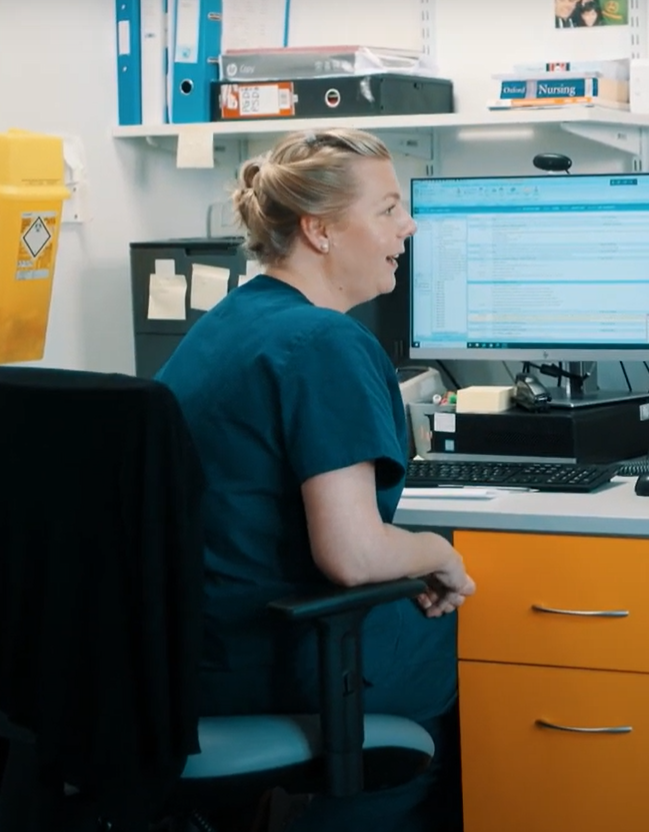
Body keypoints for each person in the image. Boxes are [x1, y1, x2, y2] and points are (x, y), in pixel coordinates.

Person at [156, 127, 475, 831]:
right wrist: (439, 554)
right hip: (272, 657)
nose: (409, 225)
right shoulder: (324, 342)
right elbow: (353, 554)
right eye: (388, 209)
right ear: (319, 231)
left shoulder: (231, 321)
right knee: (488, 653)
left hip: (192, 651)